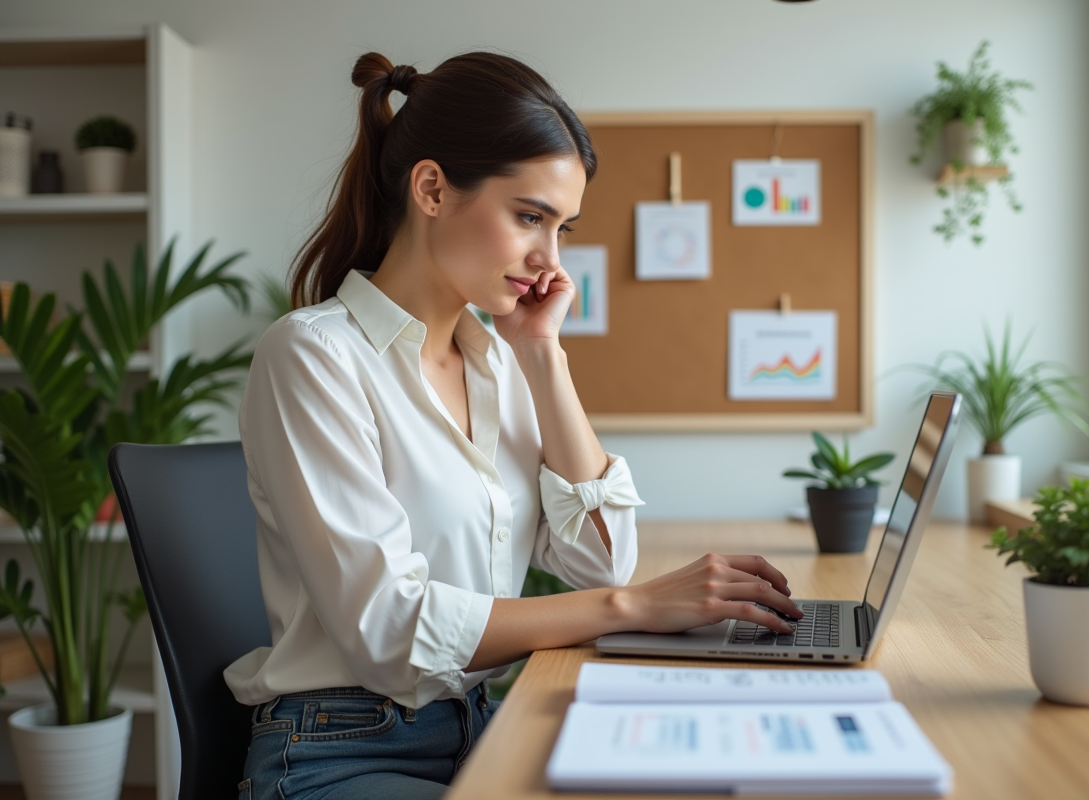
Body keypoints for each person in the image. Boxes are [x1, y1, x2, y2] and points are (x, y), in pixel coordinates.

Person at [224, 50, 800, 800]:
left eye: (562, 228)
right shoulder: (313, 357)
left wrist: (542, 354)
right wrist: (635, 608)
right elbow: (387, 633)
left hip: (478, 721)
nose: (548, 260)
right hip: (338, 751)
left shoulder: (494, 361)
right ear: (431, 189)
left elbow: (600, 564)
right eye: (530, 217)